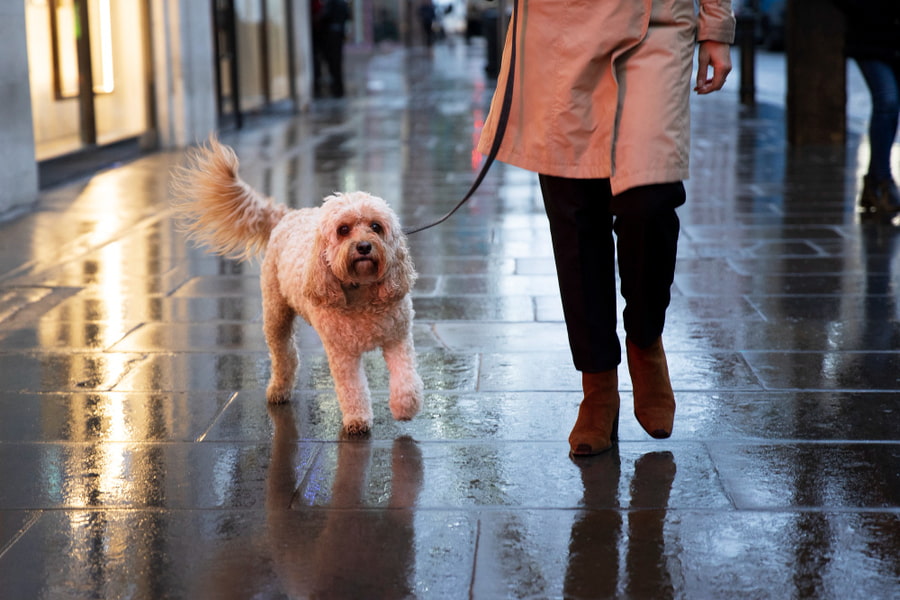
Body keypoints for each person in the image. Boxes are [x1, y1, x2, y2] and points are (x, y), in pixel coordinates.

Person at [477, 1, 735, 456]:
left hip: (654, 22)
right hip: (557, 28)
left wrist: (715, 25)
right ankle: (597, 383)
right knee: (575, 212)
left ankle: (644, 339)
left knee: (649, 200)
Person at [836, 0, 900, 216]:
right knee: (887, 101)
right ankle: (882, 179)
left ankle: (874, 183)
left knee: (891, 108)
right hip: (871, 38)